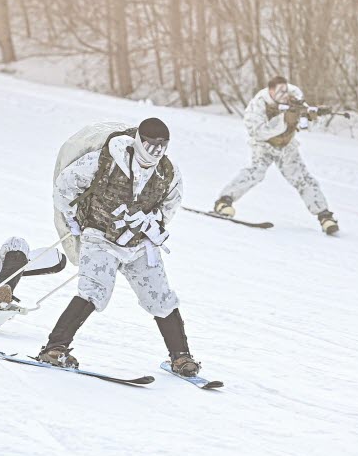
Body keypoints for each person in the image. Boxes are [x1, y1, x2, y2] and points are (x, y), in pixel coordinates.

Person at [39, 117, 202, 376]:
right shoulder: (105, 159)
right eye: (151, 146)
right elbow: (65, 186)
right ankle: (55, 348)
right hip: (100, 236)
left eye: (163, 146)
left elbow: (171, 202)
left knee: (160, 297)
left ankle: (180, 357)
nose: (156, 152)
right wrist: (71, 219)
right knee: (93, 291)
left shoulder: (168, 171)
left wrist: (154, 221)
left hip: (139, 245)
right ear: (139, 141)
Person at [214, 75, 339, 234]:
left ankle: (325, 216)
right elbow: (257, 132)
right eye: (279, 92)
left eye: (285, 90)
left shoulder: (295, 97)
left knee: (303, 179)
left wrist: (313, 115)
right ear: (270, 91)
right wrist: (283, 120)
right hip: (263, 146)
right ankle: (224, 202)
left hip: (287, 147)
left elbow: (306, 123)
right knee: (255, 173)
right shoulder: (257, 106)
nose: (284, 95)